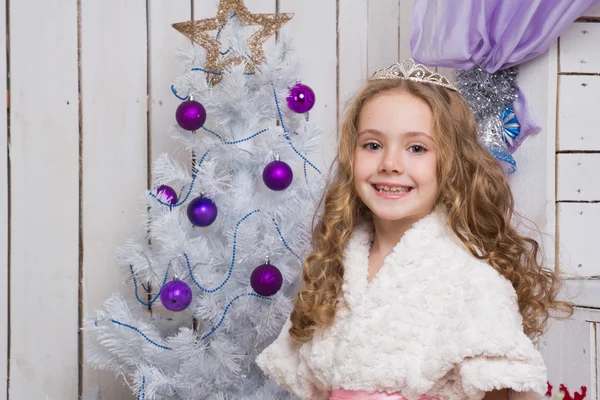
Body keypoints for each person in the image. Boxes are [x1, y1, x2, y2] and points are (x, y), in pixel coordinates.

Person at [256, 59, 571, 400]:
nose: (390, 164)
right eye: (372, 145)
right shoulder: (335, 267)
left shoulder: (473, 282)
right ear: (352, 154)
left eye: (416, 148)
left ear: (451, 163)